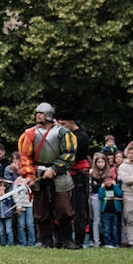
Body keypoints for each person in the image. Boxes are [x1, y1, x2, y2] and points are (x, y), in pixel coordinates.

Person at [18, 101, 75, 248]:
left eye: (41, 113)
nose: (38, 116)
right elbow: (25, 156)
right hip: (38, 174)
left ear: (48, 115)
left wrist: (54, 169)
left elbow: (69, 153)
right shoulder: (30, 133)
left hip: (60, 174)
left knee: (64, 209)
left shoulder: (63, 132)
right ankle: (45, 241)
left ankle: (66, 240)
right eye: (37, 113)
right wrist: (29, 175)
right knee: (40, 210)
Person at [56, 111, 92, 249]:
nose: (61, 127)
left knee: (79, 209)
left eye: (64, 124)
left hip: (78, 176)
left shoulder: (81, 137)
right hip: (64, 174)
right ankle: (62, 239)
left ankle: (78, 240)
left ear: (72, 122)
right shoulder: (63, 135)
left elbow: (71, 156)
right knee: (62, 207)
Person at [97, 173, 122, 248]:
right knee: (106, 228)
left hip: (115, 211)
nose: (108, 182)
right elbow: (100, 196)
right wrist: (101, 188)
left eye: (110, 180)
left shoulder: (115, 187)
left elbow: (119, 194)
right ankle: (108, 243)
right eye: (106, 181)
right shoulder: (103, 189)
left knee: (115, 228)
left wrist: (115, 186)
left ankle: (116, 243)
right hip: (106, 212)